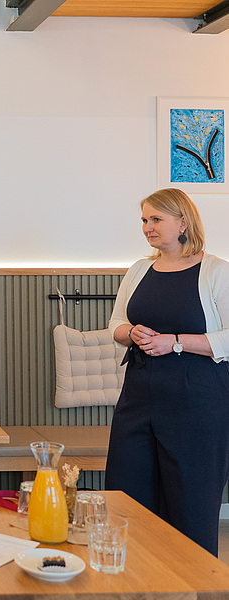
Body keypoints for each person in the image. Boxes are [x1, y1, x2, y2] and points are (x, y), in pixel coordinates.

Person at [106, 188, 229, 556]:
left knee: (191, 504)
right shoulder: (139, 269)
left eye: (156, 219)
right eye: (144, 220)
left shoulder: (216, 271)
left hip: (198, 401)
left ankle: (192, 588)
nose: (147, 227)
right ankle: (132, 586)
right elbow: (115, 324)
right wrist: (131, 332)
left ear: (183, 223)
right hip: (139, 396)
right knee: (127, 497)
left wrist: (174, 342)